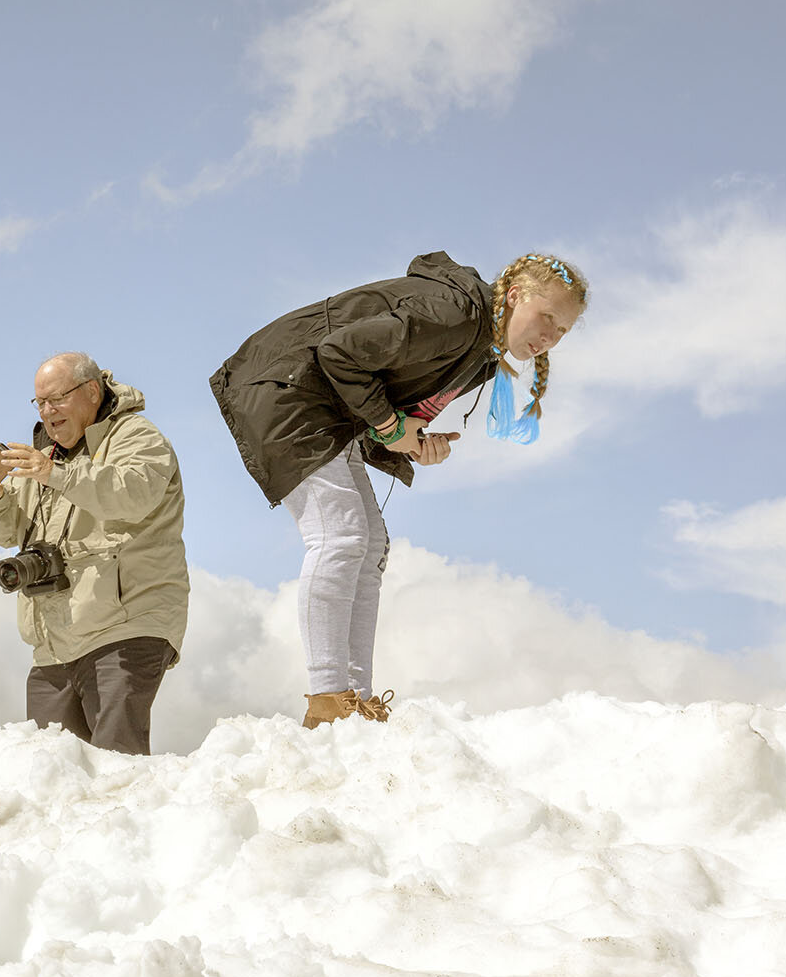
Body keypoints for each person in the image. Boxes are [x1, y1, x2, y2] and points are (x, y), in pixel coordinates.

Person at [210, 251, 587, 729]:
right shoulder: (453, 315)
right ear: (514, 297)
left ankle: (358, 702)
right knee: (340, 537)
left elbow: (391, 413)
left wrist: (413, 441)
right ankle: (328, 700)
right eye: (546, 317)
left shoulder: (481, 356)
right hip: (287, 387)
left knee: (371, 545)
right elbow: (338, 354)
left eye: (562, 331)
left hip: (327, 407)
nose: (549, 337)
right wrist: (391, 427)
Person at [0, 352, 189, 756]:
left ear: (90, 391)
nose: (48, 412)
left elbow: (132, 494)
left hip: (126, 626)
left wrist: (55, 475)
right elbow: (2, 534)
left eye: (57, 399)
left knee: (116, 768)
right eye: (40, 403)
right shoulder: (43, 459)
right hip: (54, 643)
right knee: (54, 774)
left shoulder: (138, 436)